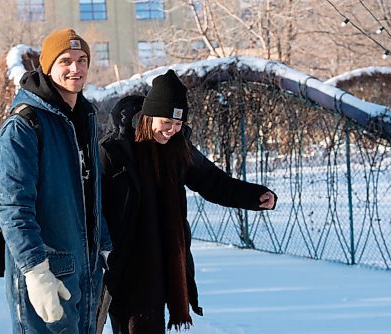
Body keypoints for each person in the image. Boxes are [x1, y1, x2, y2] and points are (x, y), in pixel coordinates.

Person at [99, 69, 277, 333]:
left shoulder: (178, 149)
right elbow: (93, 204)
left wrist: (254, 196)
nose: (172, 131)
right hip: (125, 263)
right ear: (149, 116)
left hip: (163, 260)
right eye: (166, 122)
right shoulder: (115, 150)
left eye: (179, 124)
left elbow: (214, 182)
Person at [0, 28, 111, 334]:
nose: (76, 68)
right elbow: (12, 207)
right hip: (46, 273)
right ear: (47, 67)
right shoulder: (24, 124)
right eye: (66, 61)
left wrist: (107, 248)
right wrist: (36, 272)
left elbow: (91, 195)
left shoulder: (84, 118)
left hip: (85, 271)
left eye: (82, 59)